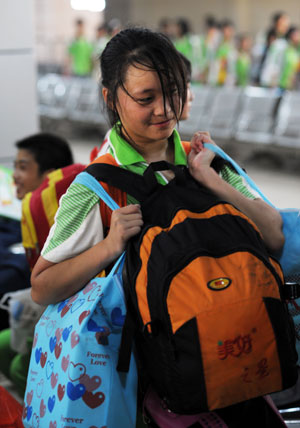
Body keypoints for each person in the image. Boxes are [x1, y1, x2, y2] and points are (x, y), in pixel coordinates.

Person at [31, 27, 285, 427]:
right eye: (146, 98)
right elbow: (42, 285)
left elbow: (273, 235)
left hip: (238, 368)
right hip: (158, 394)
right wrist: (109, 245)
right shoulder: (98, 186)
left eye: (173, 92)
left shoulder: (205, 159)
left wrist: (213, 182)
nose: (165, 109)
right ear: (111, 98)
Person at [0, 132, 74, 397]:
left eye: (23, 167)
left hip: (72, 318)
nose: (14, 176)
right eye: (15, 166)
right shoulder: (30, 214)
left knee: (21, 367)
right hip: (48, 309)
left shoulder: (66, 217)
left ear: (50, 175)